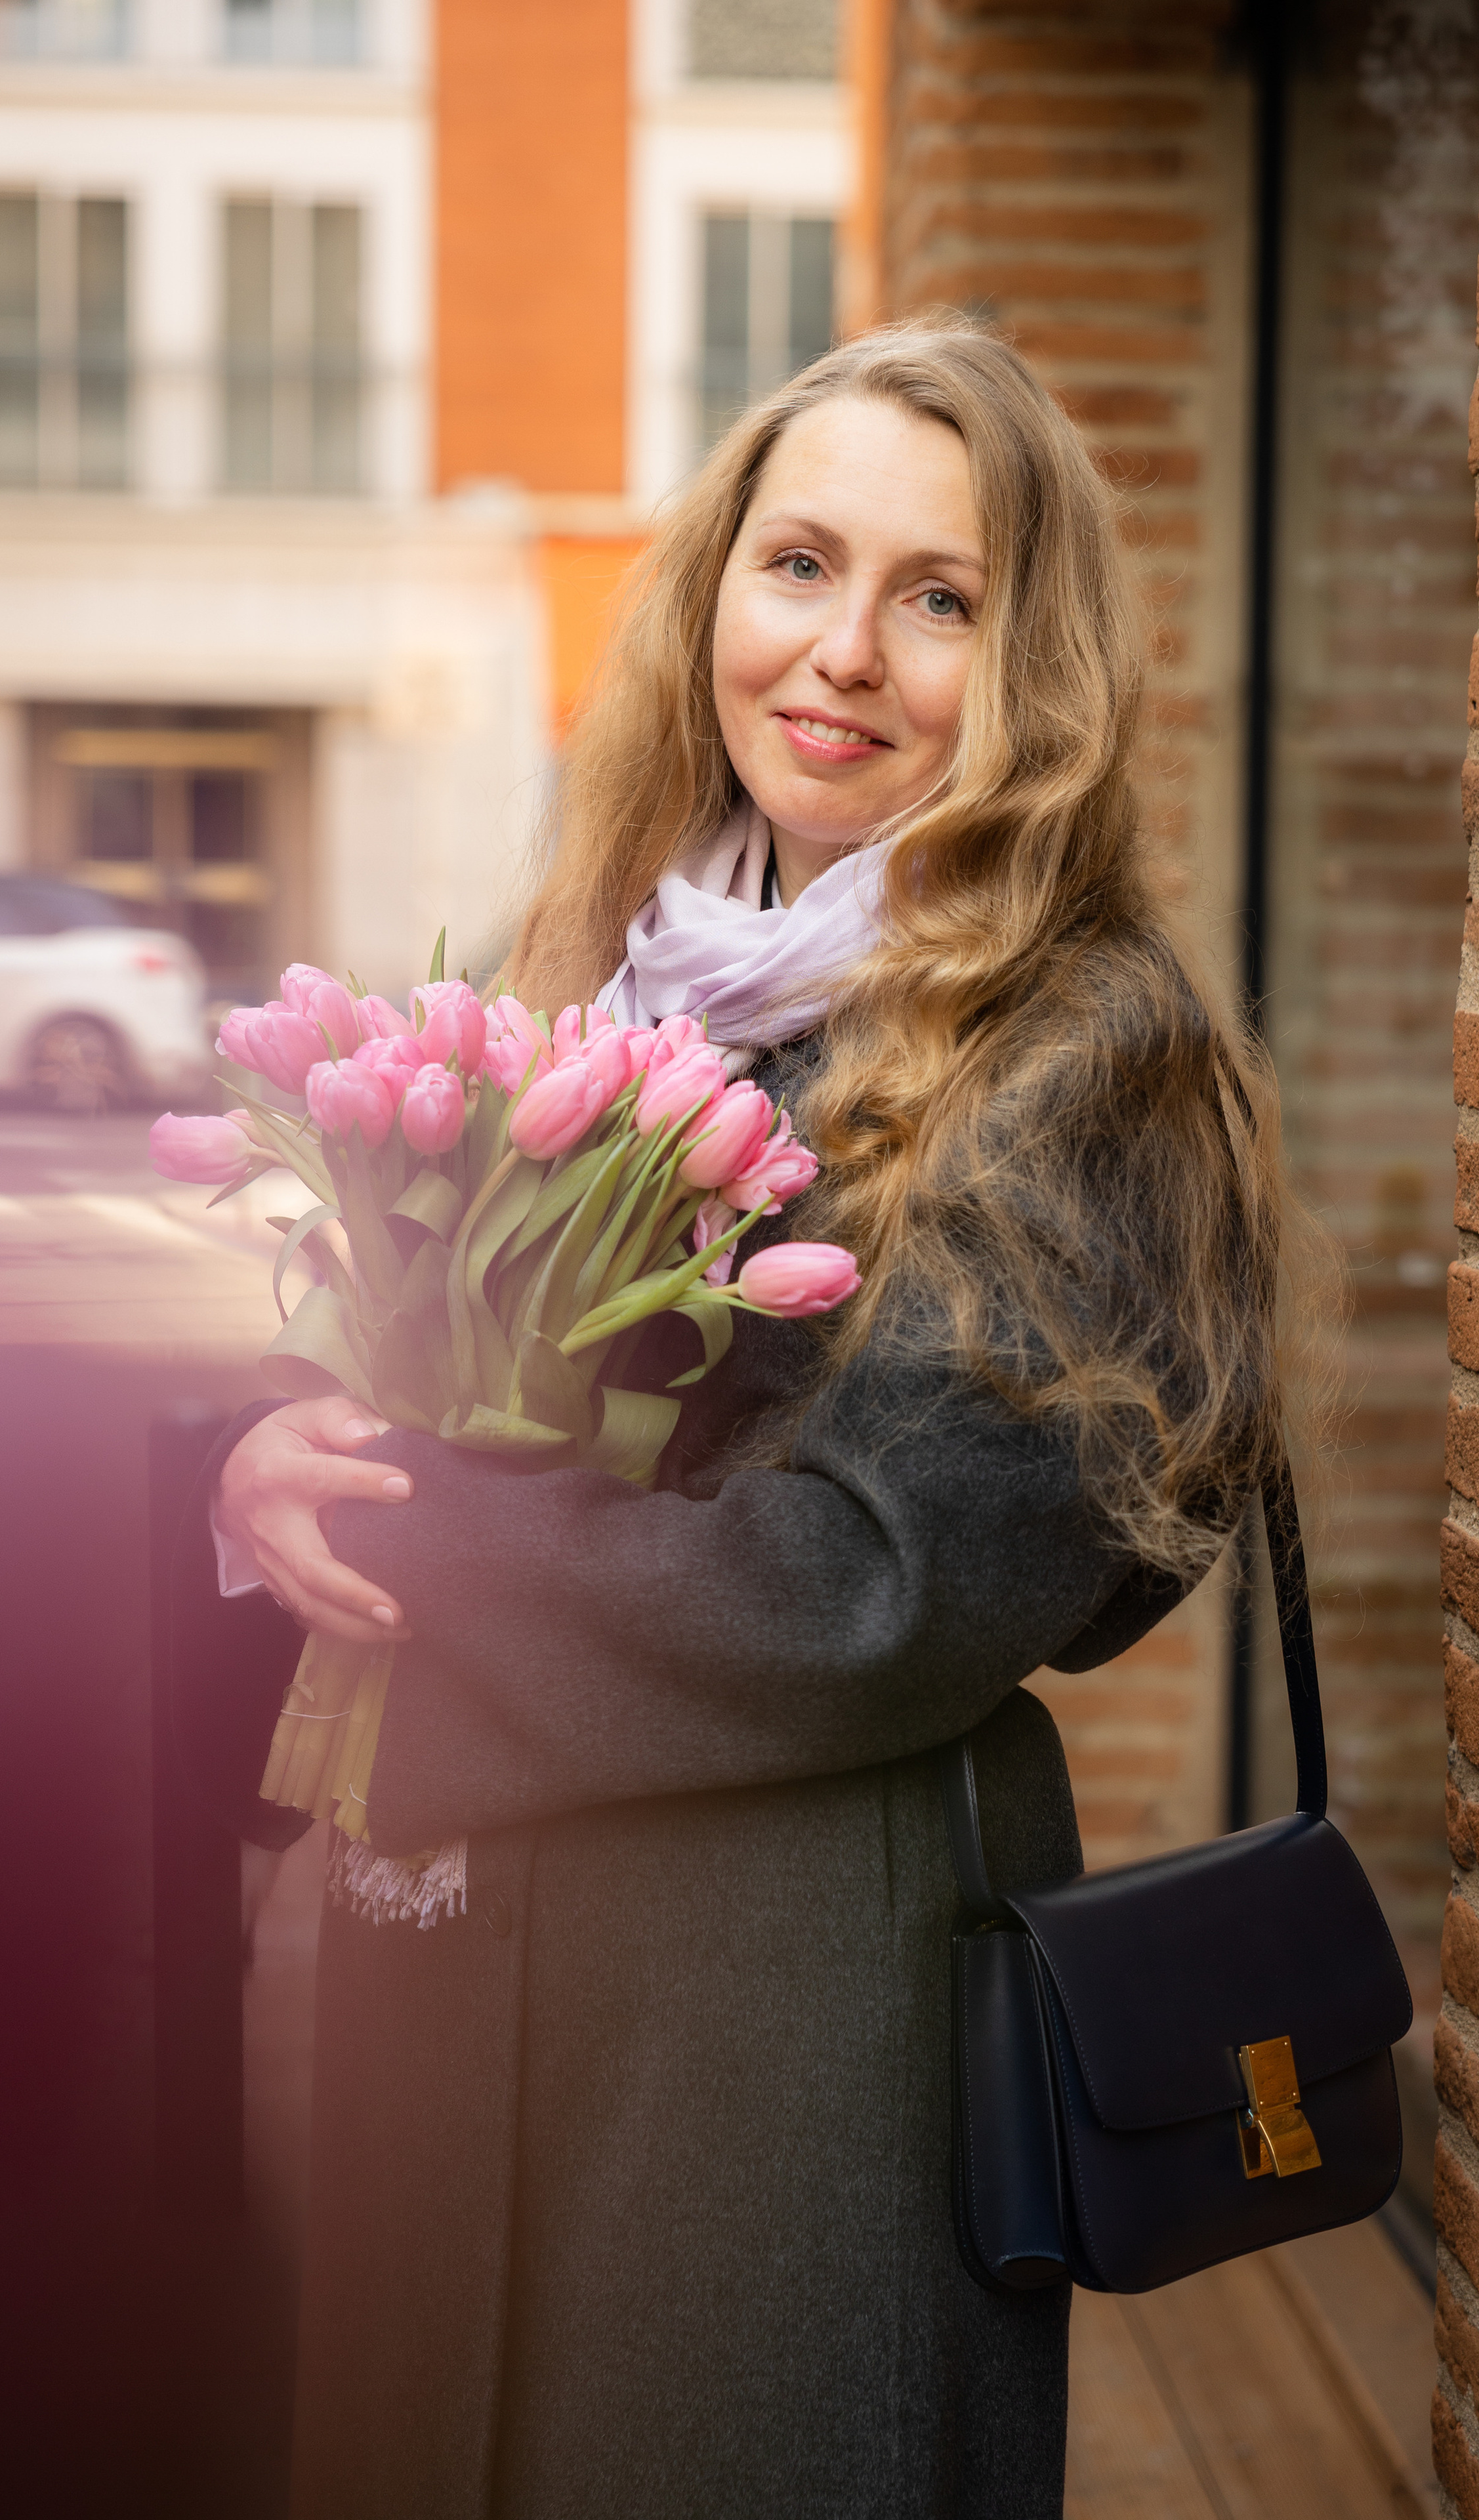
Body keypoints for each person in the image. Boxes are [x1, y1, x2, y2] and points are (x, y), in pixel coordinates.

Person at [175, 316, 1299, 2519]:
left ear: (1032, 665)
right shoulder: (583, 974)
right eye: (800, 564)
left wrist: (435, 1554)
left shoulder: (1079, 1045)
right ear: (714, 593)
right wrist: (268, 1477)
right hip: (462, 1980)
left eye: (940, 598)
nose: (845, 653)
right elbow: (407, 1392)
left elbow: (896, 1587)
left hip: (786, 2030)